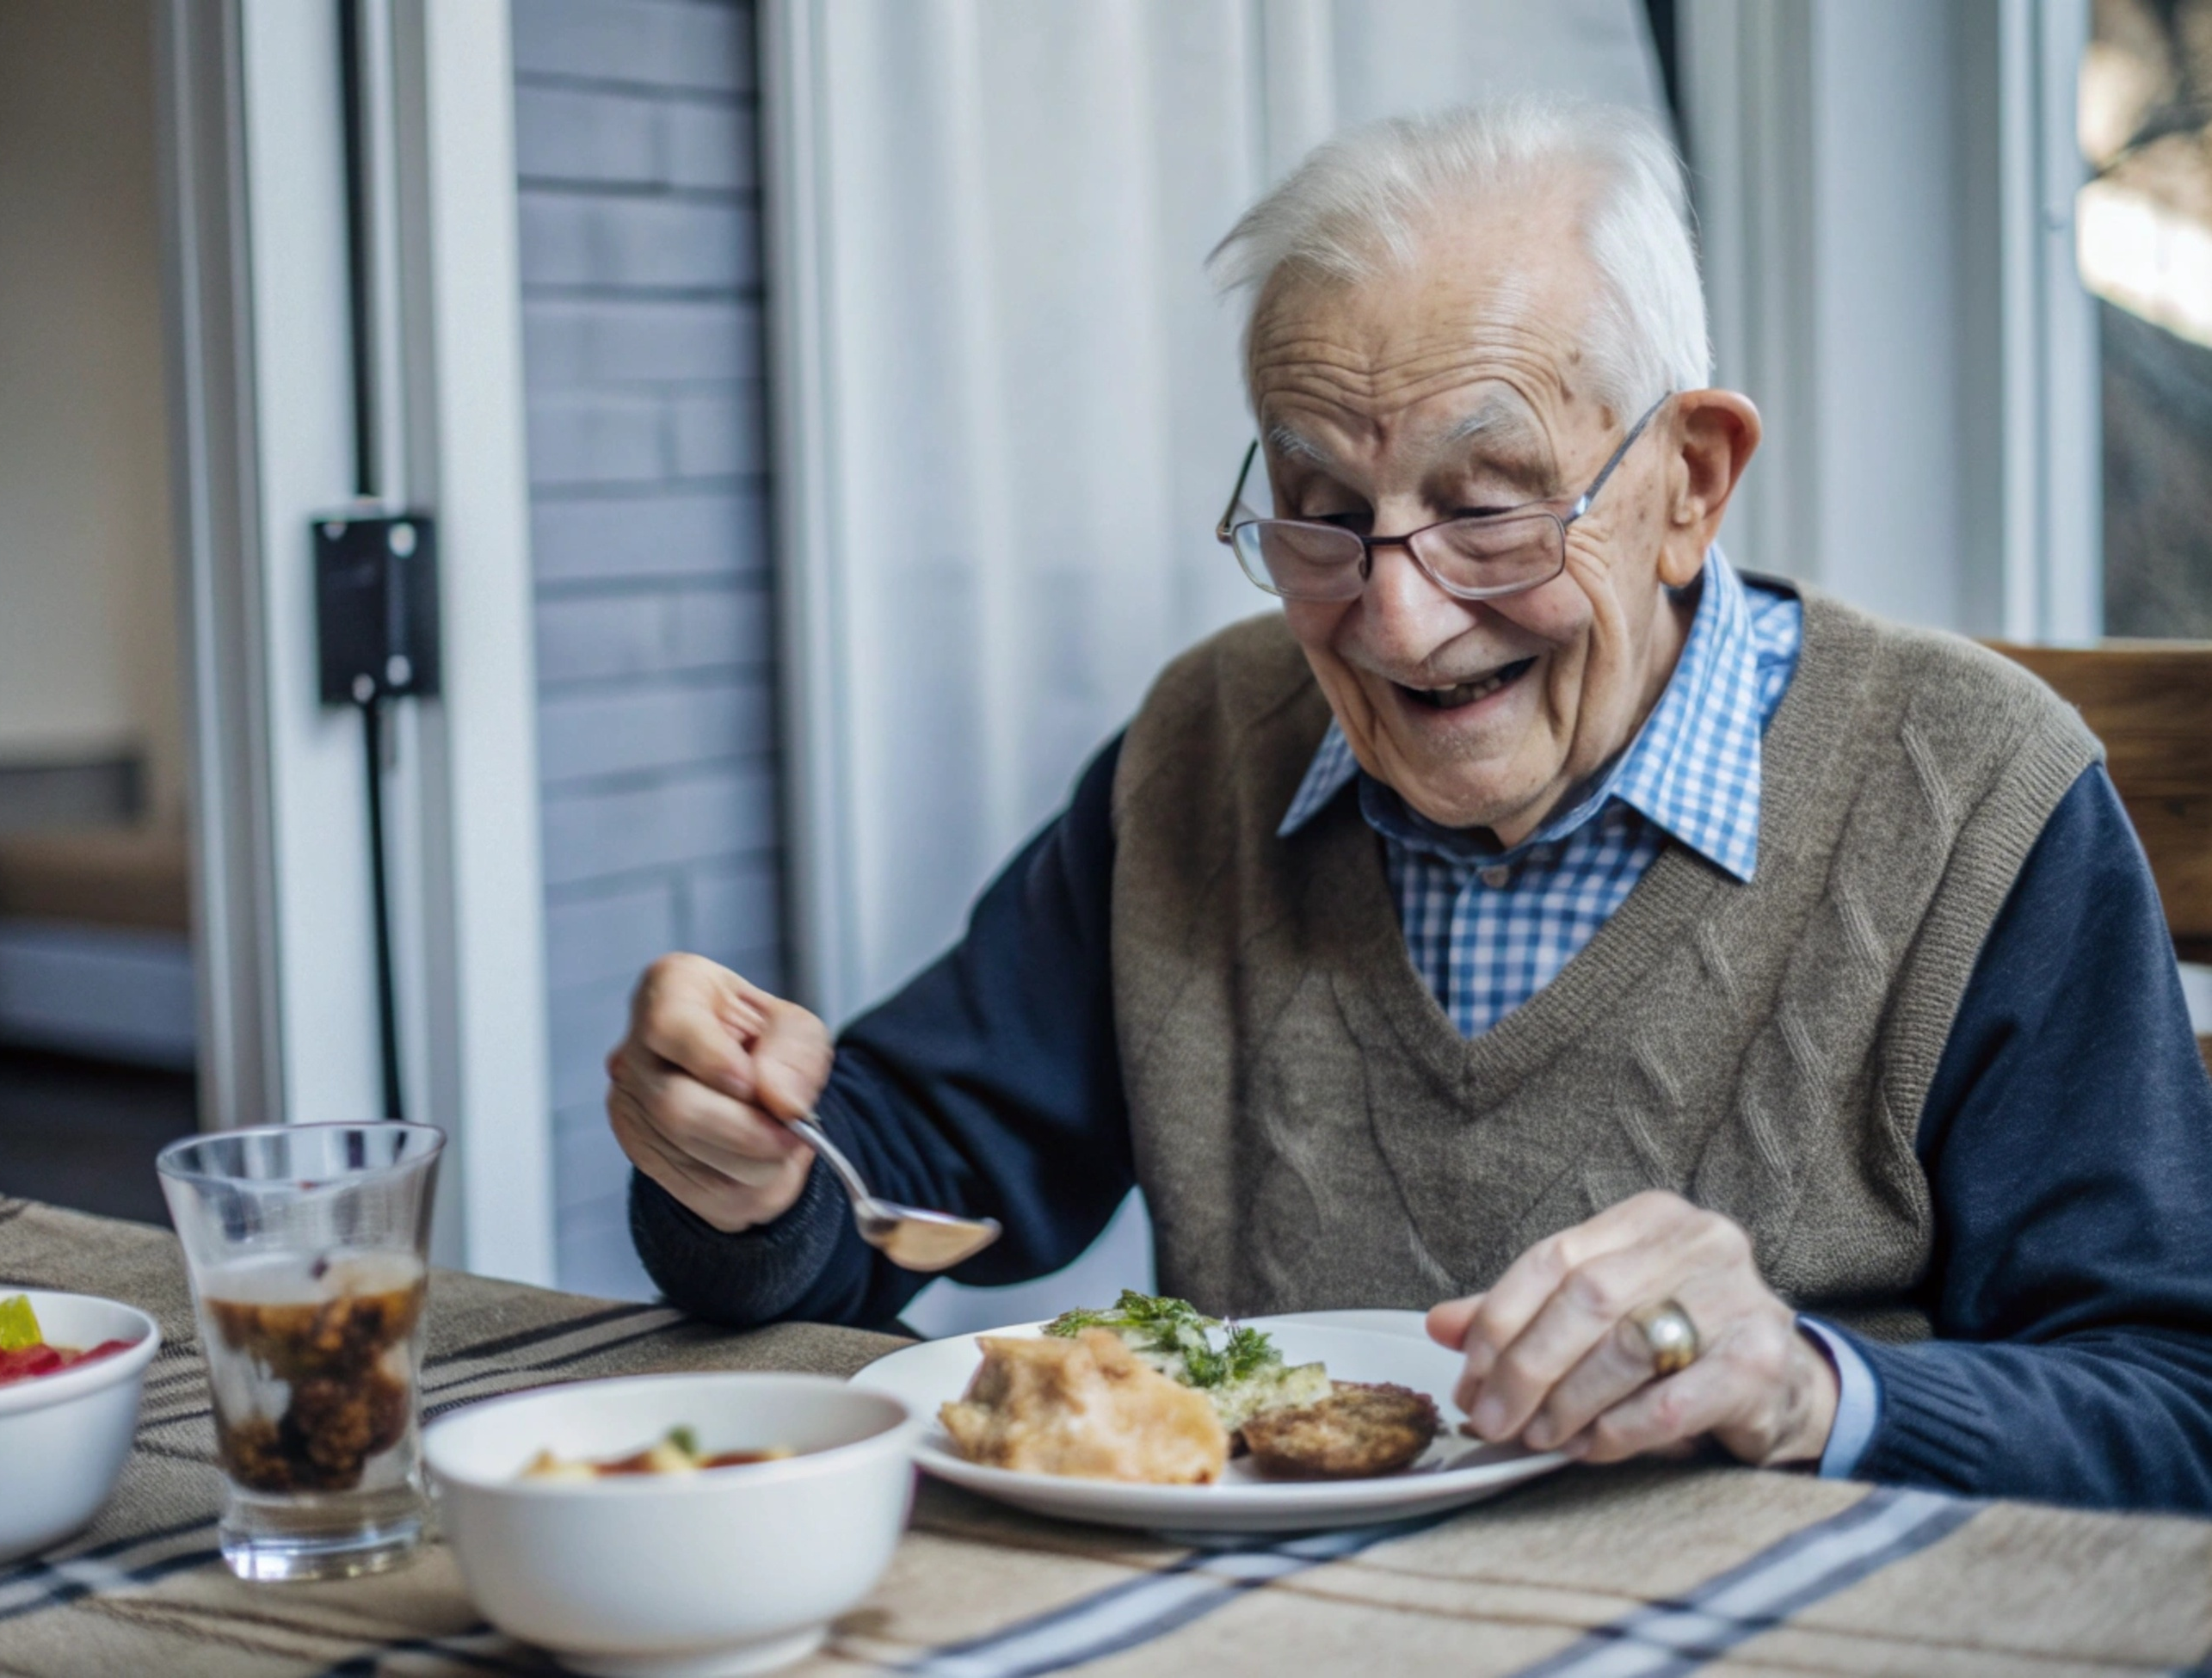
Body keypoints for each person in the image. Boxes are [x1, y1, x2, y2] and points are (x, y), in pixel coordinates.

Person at [604, 98, 2212, 1510]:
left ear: (1692, 482)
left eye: (1489, 510)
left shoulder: (1975, 796)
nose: (1397, 622)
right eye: (1318, 512)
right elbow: (902, 1177)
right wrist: (749, 1164)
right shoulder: (1210, 745)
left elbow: (2173, 1407)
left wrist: (1808, 1383)